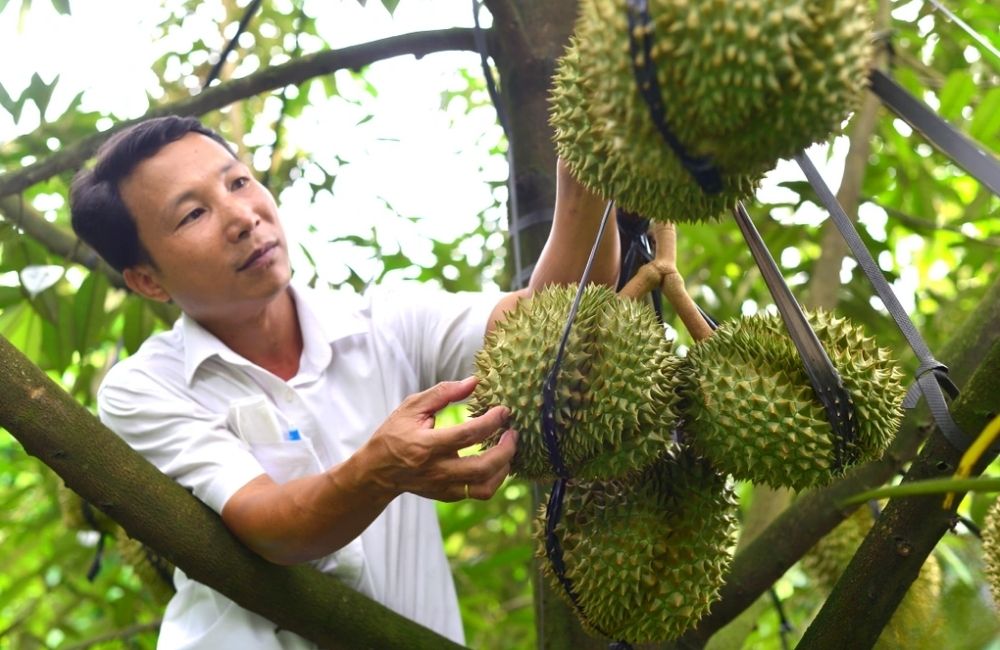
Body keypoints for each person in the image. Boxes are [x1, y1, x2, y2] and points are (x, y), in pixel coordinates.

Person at [69, 115, 619, 649]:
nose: (241, 217)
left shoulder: (381, 322)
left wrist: (589, 155)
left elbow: (555, 323)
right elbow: (271, 524)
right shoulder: (144, 387)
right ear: (146, 280)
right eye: (192, 215)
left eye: (238, 181)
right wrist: (380, 469)